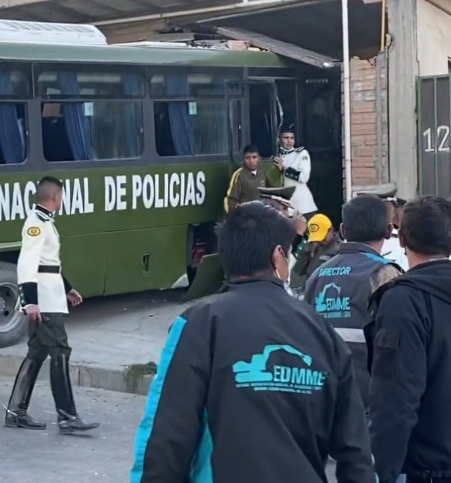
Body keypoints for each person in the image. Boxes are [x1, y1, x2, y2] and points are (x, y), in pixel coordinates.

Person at [130, 202, 374, 483]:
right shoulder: (322, 332)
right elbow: (356, 453)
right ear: (278, 256)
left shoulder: (198, 324)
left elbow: (165, 436)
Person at [3, 176, 99, 435]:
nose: (63, 200)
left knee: (37, 352)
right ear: (56, 197)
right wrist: (30, 302)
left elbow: (50, 262)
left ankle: (16, 411)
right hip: (44, 301)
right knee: (60, 350)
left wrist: (67, 288)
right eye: (62, 196)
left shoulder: (45, 221)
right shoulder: (36, 224)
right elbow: (27, 264)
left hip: (50, 295)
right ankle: (67, 416)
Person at [367, 196, 451, 483]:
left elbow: (395, 400)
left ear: (401, 239)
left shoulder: (403, 301)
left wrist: (381, 474)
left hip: (428, 469)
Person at [302, 194, 402, 407]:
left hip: (325, 401)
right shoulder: (384, 273)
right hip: (370, 403)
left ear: (343, 230)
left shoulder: (316, 276)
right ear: (388, 230)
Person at [273, 125, 318, 218]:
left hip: (303, 206)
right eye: (286, 138)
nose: (289, 141)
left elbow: (304, 177)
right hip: (284, 208)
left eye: (292, 138)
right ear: (279, 139)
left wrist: (285, 169)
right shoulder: (274, 156)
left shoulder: (301, 153)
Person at [293, 213, 342, 280]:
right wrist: (307, 252)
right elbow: (298, 271)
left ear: (330, 230)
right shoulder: (314, 248)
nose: (320, 240)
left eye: (322, 236)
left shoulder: (340, 250)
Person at [224, 144, 271, 214]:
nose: (251, 161)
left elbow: (272, 190)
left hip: (260, 214)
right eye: (248, 158)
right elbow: (231, 198)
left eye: (254, 157)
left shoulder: (262, 173)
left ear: (259, 159)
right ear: (243, 159)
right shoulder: (239, 175)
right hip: (245, 216)